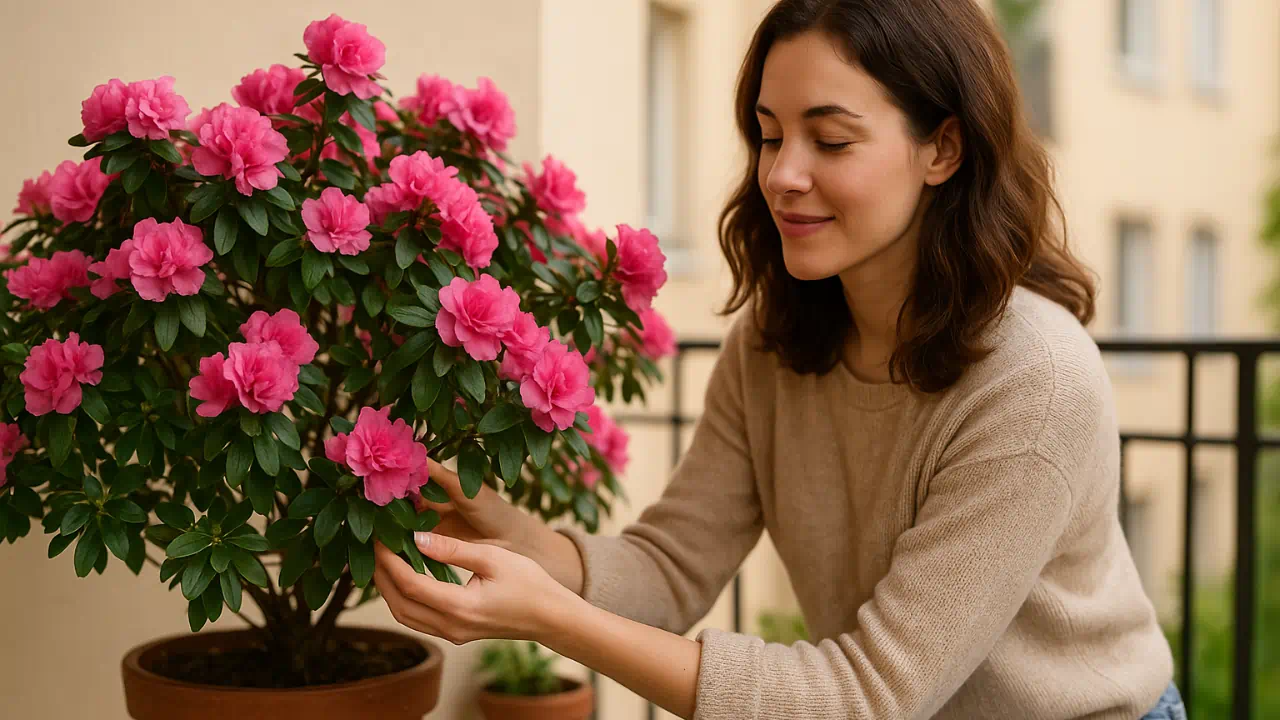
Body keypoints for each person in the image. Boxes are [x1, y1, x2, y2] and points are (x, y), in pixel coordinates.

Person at [372, 1, 1187, 717]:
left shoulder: (1034, 381)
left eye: (831, 139)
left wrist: (552, 618)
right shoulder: (773, 344)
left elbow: (862, 698)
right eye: (768, 136)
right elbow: (667, 570)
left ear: (943, 150)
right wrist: (511, 538)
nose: (782, 175)